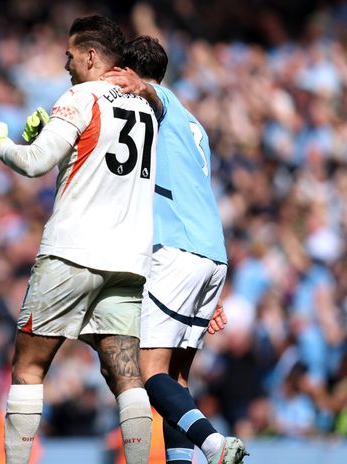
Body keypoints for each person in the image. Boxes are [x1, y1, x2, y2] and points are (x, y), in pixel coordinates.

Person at [0, 15, 156, 464]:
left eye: (70, 56)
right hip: (129, 259)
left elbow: (34, 162)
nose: (65, 66)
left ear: (91, 56)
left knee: (29, 367)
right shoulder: (145, 106)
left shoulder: (79, 95)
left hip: (72, 252)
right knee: (126, 376)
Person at [102, 36, 248, 463]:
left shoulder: (158, 102)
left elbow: (152, 95)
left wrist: (140, 87)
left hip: (177, 249)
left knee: (148, 371)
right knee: (177, 381)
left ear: (132, 72)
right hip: (210, 254)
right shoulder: (195, 126)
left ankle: (214, 445)